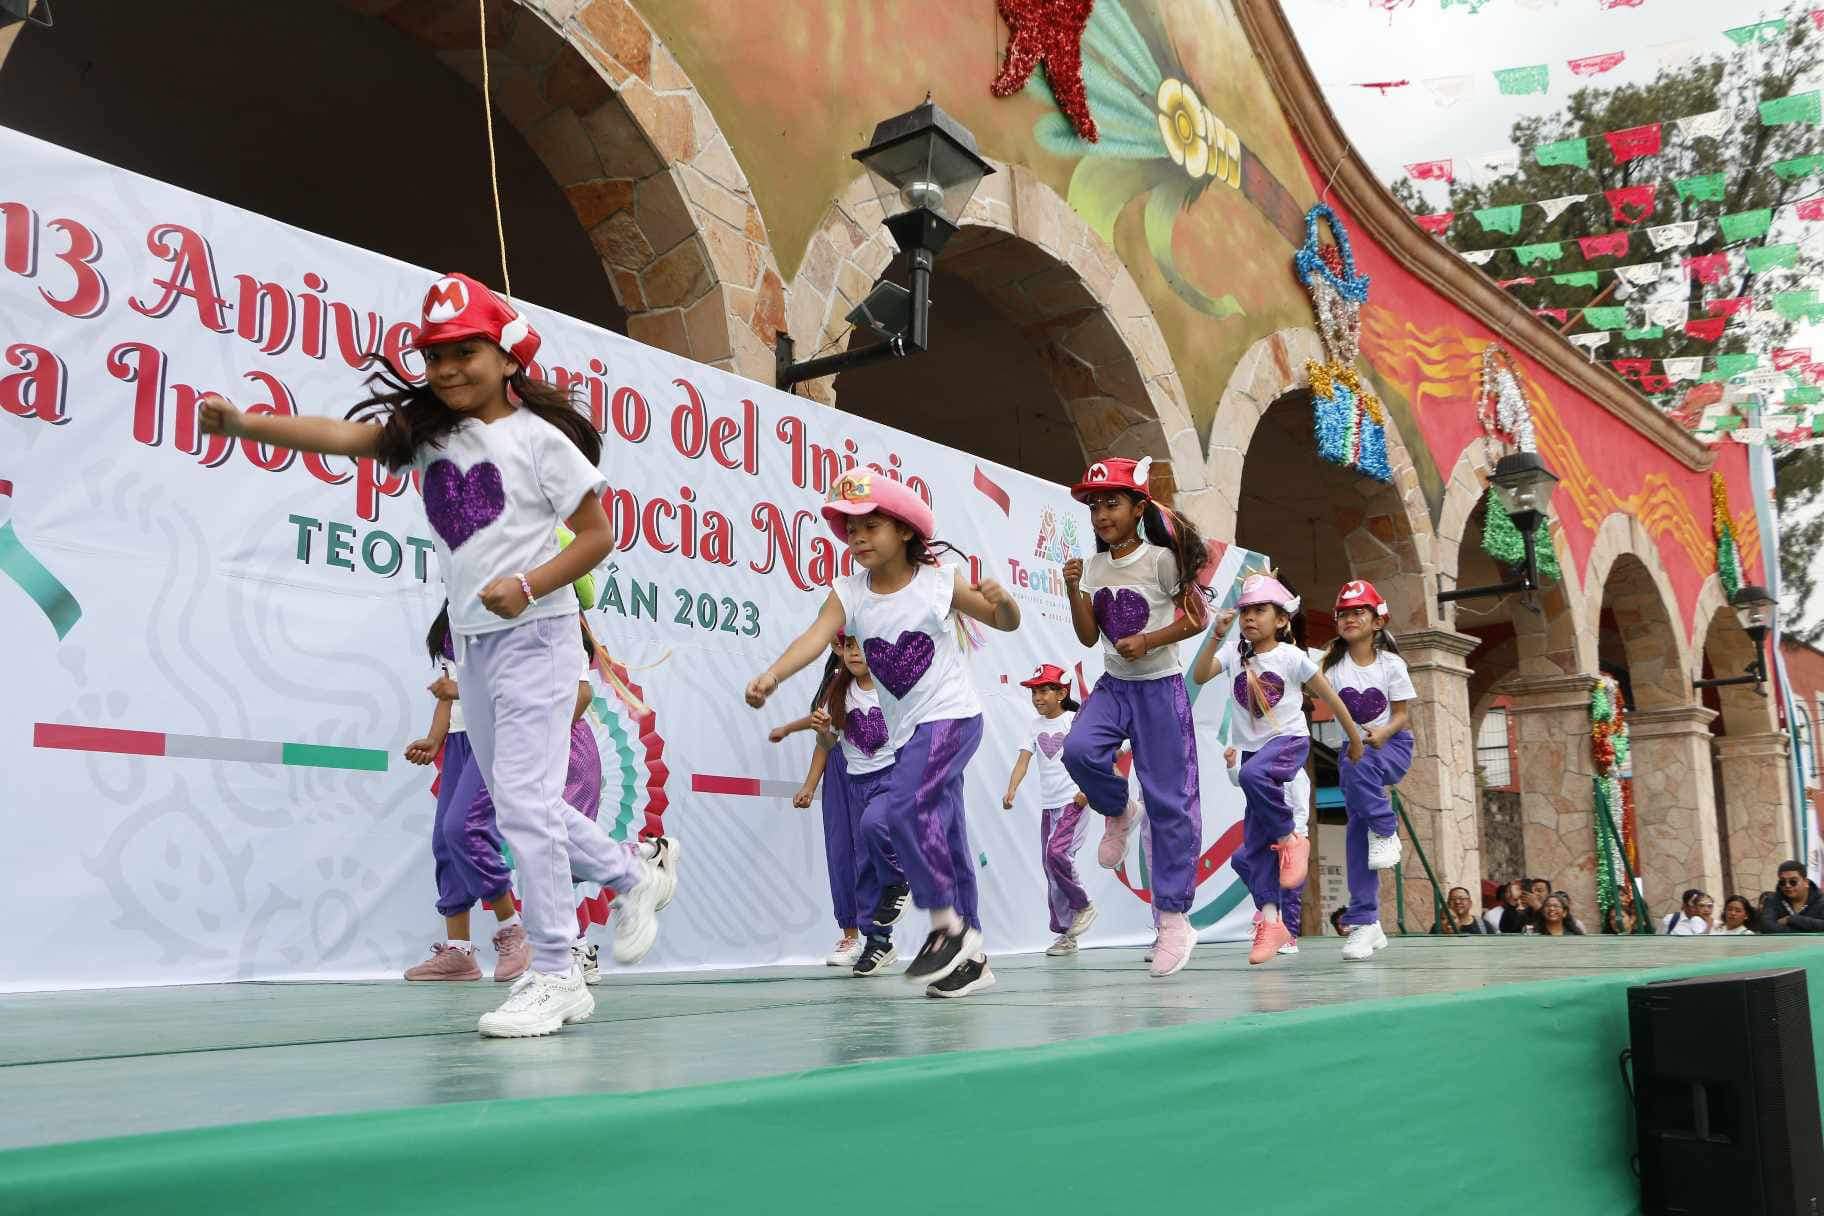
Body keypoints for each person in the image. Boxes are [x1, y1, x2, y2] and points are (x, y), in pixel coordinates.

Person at [200, 272, 679, 1038]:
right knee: (529, 803)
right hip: (477, 645)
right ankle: (632, 871)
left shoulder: (540, 440)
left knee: (522, 805)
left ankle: (557, 970)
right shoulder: (431, 439)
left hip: (539, 637)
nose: (450, 368)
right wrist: (244, 426)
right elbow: (346, 437)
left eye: (467, 351)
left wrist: (529, 583)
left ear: (506, 354)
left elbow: (598, 536)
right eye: (435, 355)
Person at [746, 469, 1019, 997]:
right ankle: (974, 958)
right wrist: (774, 676)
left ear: (906, 531)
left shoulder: (939, 581)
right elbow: (813, 637)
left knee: (904, 807)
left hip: (953, 716)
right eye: (850, 530)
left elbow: (1004, 622)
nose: (858, 538)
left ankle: (947, 927)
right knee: (948, 834)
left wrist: (1002, 599)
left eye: (871, 526)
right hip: (910, 732)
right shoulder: (849, 592)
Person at [1059, 457, 1212, 978]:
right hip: (1113, 686)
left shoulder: (1161, 561)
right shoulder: (1094, 566)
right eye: (1095, 504)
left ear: (1138, 507)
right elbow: (1086, 636)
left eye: (1112, 502)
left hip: (1160, 689)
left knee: (1171, 802)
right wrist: (1073, 588)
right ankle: (1119, 808)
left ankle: (1173, 920)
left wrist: (1149, 639)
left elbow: (1197, 616)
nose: (1102, 513)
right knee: (1078, 750)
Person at [1191, 572, 1363, 965]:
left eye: (1261, 610)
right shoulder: (1235, 654)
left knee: (1253, 778)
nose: (1250, 617)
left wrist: (1353, 739)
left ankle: (1290, 838)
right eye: (1246, 610)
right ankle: (1272, 922)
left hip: (1287, 743)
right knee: (1252, 852)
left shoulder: (1291, 657)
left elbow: (1331, 699)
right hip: (1254, 754)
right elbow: (1200, 675)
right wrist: (1216, 635)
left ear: (1282, 620)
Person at [775, 635, 901, 971]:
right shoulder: (837, 688)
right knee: (841, 852)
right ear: (837, 647)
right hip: (843, 772)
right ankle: (851, 934)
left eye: (860, 642)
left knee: (870, 843)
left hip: (878, 774)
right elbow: (826, 737)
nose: (853, 650)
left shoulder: (894, 686)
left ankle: (878, 935)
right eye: (846, 643)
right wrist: (809, 782)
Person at [1322, 580, 1416, 962]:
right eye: (1343, 613)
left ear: (1377, 621)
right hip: (1354, 752)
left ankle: (1386, 826)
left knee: (1360, 784)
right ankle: (1366, 921)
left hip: (1392, 746)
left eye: (1359, 612)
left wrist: (1382, 733)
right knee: (1356, 837)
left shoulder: (1392, 664)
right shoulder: (1330, 665)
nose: (1350, 619)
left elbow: (1402, 715)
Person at [1003, 664, 1097, 956]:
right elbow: (1023, 761)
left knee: (1057, 854)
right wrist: (1012, 789)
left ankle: (1084, 905)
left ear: (1062, 691)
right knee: (1051, 866)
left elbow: (1097, 754)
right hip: (1049, 806)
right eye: (1034, 691)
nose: (1037, 697)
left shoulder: (1075, 720)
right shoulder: (1034, 726)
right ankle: (1067, 934)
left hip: (1073, 801)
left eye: (1044, 690)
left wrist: (1087, 790)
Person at [1224, 746, 1311, 956]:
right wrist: (1231, 765)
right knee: (1240, 859)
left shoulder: (1296, 774)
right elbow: (1242, 781)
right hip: (1264, 836)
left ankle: (1289, 935)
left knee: (1289, 886)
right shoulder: (1260, 769)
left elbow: (1301, 810)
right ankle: (1268, 910)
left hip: (1290, 836)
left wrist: (1291, 841)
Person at [1757, 860, 1824, 933]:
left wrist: (1792, 919)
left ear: (1806, 882)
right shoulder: (1772, 900)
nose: (1787, 885)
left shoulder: (1821, 901)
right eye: (1782, 882)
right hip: (1783, 944)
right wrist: (1807, 930)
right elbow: (1767, 927)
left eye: (1793, 881)